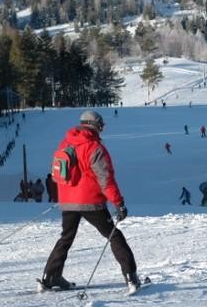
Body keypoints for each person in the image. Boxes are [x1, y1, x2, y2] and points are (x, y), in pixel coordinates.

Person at [40, 110, 140, 294]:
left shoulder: (66, 142)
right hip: (90, 202)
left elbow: (59, 173)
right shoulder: (94, 148)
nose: (102, 129)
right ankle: (130, 276)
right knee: (113, 235)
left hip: (68, 201)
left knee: (66, 238)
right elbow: (106, 179)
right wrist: (119, 203)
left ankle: (50, 276)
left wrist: (66, 195)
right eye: (101, 125)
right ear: (95, 125)